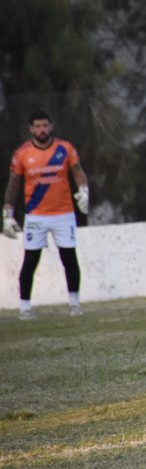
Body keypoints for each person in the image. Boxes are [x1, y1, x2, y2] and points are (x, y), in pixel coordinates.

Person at [2, 111, 90, 320]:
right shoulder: (22, 154)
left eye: (45, 125)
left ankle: (75, 304)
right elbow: (14, 184)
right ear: (31, 129)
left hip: (64, 213)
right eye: (37, 126)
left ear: (51, 126)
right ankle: (24, 307)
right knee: (31, 260)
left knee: (69, 257)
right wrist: (8, 213)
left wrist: (84, 190)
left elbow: (78, 171)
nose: (41, 130)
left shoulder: (65, 148)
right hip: (35, 216)